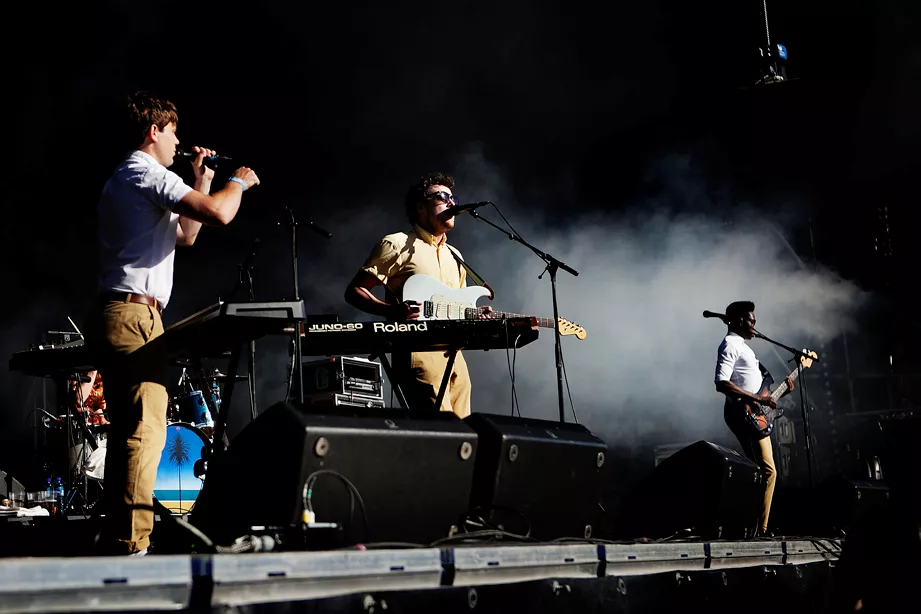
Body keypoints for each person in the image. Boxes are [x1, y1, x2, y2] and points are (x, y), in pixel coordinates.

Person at [85, 91, 260, 555]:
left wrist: (203, 178)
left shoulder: (128, 178)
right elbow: (219, 213)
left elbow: (186, 235)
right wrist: (237, 182)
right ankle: (131, 546)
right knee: (144, 433)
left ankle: (120, 538)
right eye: (174, 133)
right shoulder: (145, 171)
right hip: (134, 314)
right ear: (154, 131)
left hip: (123, 312)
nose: (178, 142)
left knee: (131, 432)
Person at [344, 172, 485, 418]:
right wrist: (392, 311)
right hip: (419, 354)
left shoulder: (455, 256)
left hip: (455, 357)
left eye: (452, 198)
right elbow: (355, 291)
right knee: (443, 430)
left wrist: (476, 315)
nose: (451, 203)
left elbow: (457, 307)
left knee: (466, 432)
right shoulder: (397, 243)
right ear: (420, 207)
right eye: (442, 197)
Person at [714, 301, 794, 537]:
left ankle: (752, 525)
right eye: (752, 321)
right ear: (740, 321)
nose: (755, 325)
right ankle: (759, 528)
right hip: (743, 414)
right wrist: (757, 399)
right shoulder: (730, 345)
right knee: (768, 471)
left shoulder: (744, 347)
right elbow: (721, 383)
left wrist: (782, 393)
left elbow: (759, 392)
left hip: (754, 413)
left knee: (761, 471)